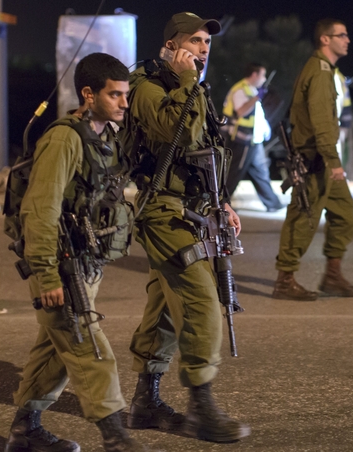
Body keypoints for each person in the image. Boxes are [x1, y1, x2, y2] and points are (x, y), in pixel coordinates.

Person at [6, 53, 145, 452]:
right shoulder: (64, 138)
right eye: (115, 95)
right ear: (88, 94)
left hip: (85, 262)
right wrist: (47, 276)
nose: (124, 103)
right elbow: (40, 209)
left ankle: (24, 432)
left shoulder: (105, 137)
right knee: (88, 346)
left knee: (54, 350)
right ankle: (116, 436)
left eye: (126, 95)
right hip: (58, 264)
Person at [122, 12, 250, 443]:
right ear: (171, 45)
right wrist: (184, 82)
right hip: (164, 209)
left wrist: (224, 201)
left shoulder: (191, 88)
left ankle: (145, 402)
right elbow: (178, 131)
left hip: (198, 209)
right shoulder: (147, 87)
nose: (203, 48)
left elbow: (208, 149)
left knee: (165, 306)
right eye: (194, 40)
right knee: (200, 301)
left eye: (206, 42)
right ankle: (201, 407)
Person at [272, 18, 353, 302]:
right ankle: (285, 280)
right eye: (342, 35)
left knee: (344, 214)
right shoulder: (321, 72)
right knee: (302, 220)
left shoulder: (326, 70)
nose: (347, 39)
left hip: (321, 160)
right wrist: (334, 162)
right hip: (315, 161)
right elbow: (322, 122)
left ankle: (332, 276)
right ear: (325, 39)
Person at [222, 63, 284, 211]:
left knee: (260, 171)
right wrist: (257, 97)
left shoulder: (250, 90)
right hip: (241, 140)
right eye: (262, 75)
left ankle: (273, 204)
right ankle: (222, 203)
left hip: (253, 140)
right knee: (234, 172)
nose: (263, 79)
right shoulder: (240, 90)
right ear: (254, 75)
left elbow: (257, 114)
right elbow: (242, 111)